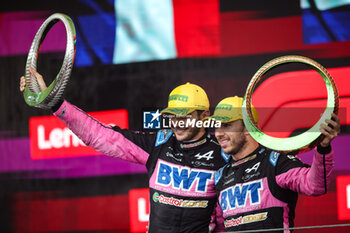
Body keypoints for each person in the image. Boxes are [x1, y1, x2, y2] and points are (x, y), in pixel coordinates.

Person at [20, 69, 227, 233]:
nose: (177, 122)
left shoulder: (223, 156)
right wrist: (55, 103)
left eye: (185, 115)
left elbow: (226, 220)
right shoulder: (158, 144)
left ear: (204, 115)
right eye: (173, 115)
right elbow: (99, 135)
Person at [207, 96, 340, 232]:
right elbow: (219, 227)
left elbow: (315, 185)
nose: (218, 134)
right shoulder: (220, 176)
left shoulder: (275, 163)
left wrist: (323, 148)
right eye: (216, 127)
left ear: (248, 126)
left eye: (226, 125)